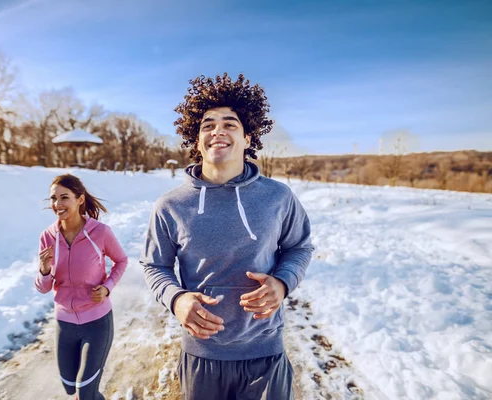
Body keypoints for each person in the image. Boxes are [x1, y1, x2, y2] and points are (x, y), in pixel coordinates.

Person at [140, 73, 314, 400]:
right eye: (208, 125)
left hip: (265, 355)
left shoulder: (278, 197)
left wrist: (282, 282)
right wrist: (177, 300)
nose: (217, 130)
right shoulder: (170, 205)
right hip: (202, 357)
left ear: (249, 138)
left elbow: (300, 247)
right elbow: (154, 265)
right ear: (197, 140)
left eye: (230, 124)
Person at [35, 174, 128, 400]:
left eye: (64, 197)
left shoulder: (100, 233)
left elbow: (121, 261)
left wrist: (106, 287)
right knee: (70, 388)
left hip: (96, 322)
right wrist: (44, 270)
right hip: (64, 323)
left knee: (85, 392)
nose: (57, 204)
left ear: (80, 200)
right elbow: (43, 288)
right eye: (53, 199)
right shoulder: (48, 236)